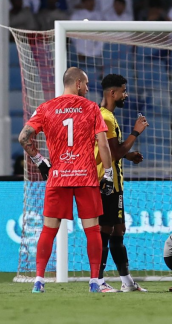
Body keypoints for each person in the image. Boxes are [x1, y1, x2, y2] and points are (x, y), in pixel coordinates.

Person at [19, 67, 114, 293]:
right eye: (87, 84)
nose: (89, 88)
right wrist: (108, 174)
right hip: (86, 177)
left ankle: (39, 281)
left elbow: (23, 137)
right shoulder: (91, 108)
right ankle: (94, 282)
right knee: (92, 230)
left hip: (58, 176)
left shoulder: (45, 108)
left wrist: (40, 160)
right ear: (78, 83)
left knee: (48, 230)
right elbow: (103, 144)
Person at [94, 74, 149, 292]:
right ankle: (97, 281)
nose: (126, 95)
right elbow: (113, 152)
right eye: (123, 91)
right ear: (112, 93)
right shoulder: (104, 117)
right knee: (104, 231)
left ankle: (127, 282)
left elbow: (110, 149)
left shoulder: (108, 116)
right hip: (105, 183)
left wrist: (128, 155)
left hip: (116, 185)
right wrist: (136, 132)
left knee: (118, 230)